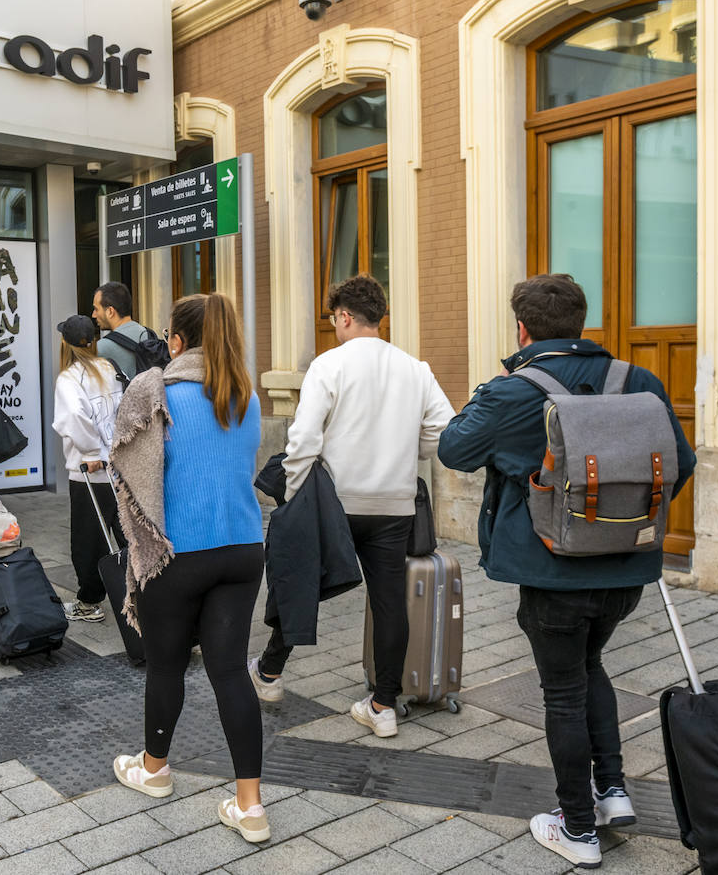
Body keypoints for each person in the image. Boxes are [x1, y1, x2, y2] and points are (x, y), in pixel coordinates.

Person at [438, 273, 696, 869]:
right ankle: (612, 793)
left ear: (522, 329)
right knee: (590, 667)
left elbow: (453, 450)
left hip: (552, 574)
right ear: (582, 323)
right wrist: (620, 524)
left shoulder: (512, 392)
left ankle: (577, 829)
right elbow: (679, 465)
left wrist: (490, 392)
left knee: (562, 692)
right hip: (626, 573)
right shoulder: (639, 381)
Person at [251, 275, 454, 738]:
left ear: (343, 316)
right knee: (390, 603)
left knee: (300, 582)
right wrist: (412, 450)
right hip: (394, 504)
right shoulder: (415, 369)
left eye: (333, 319)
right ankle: (383, 705)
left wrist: (294, 489)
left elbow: (303, 440)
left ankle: (270, 673)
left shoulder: (329, 365)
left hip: (335, 503)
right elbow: (443, 431)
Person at [109, 293, 269, 843]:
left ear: (174, 342)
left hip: (177, 552)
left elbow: (129, 474)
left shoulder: (156, 394)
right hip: (244, 549)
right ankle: (250, 806)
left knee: (166, 666)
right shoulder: (244, 399)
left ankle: (154, 769)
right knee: (229, 674)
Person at [52, 313, 124, 624]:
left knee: (88, 540)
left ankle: (88, 602)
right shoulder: (109, 367)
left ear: (65, 343)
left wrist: (92, 450)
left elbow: (74, 418)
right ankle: (144, 591)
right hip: (120, 468)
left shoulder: (69, 378)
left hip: (89, 472)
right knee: (126, 535)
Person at [92, 281, 153, 381]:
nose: (93, 315)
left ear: (110, 311)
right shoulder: (148, 335)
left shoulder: (101, 348)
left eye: (96, 309)